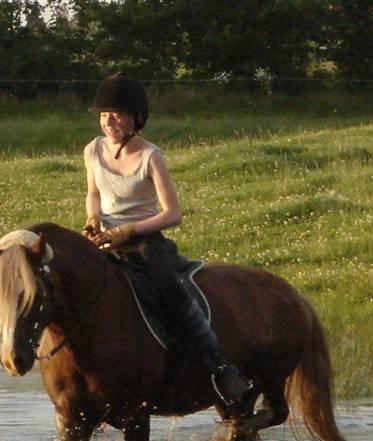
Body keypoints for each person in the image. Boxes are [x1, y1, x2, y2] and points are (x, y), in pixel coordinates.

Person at [81, 72, 252, 406]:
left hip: (143, 239)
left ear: (137, 118)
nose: (108, 121)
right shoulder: (93, 150)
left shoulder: (150, 157)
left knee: (170, 289)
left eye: (116, 114)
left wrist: (128, 231)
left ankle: (218, 365)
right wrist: (92, 218)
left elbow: (173, 213)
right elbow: (92, 193)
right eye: (104, 115)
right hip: (103, 236)